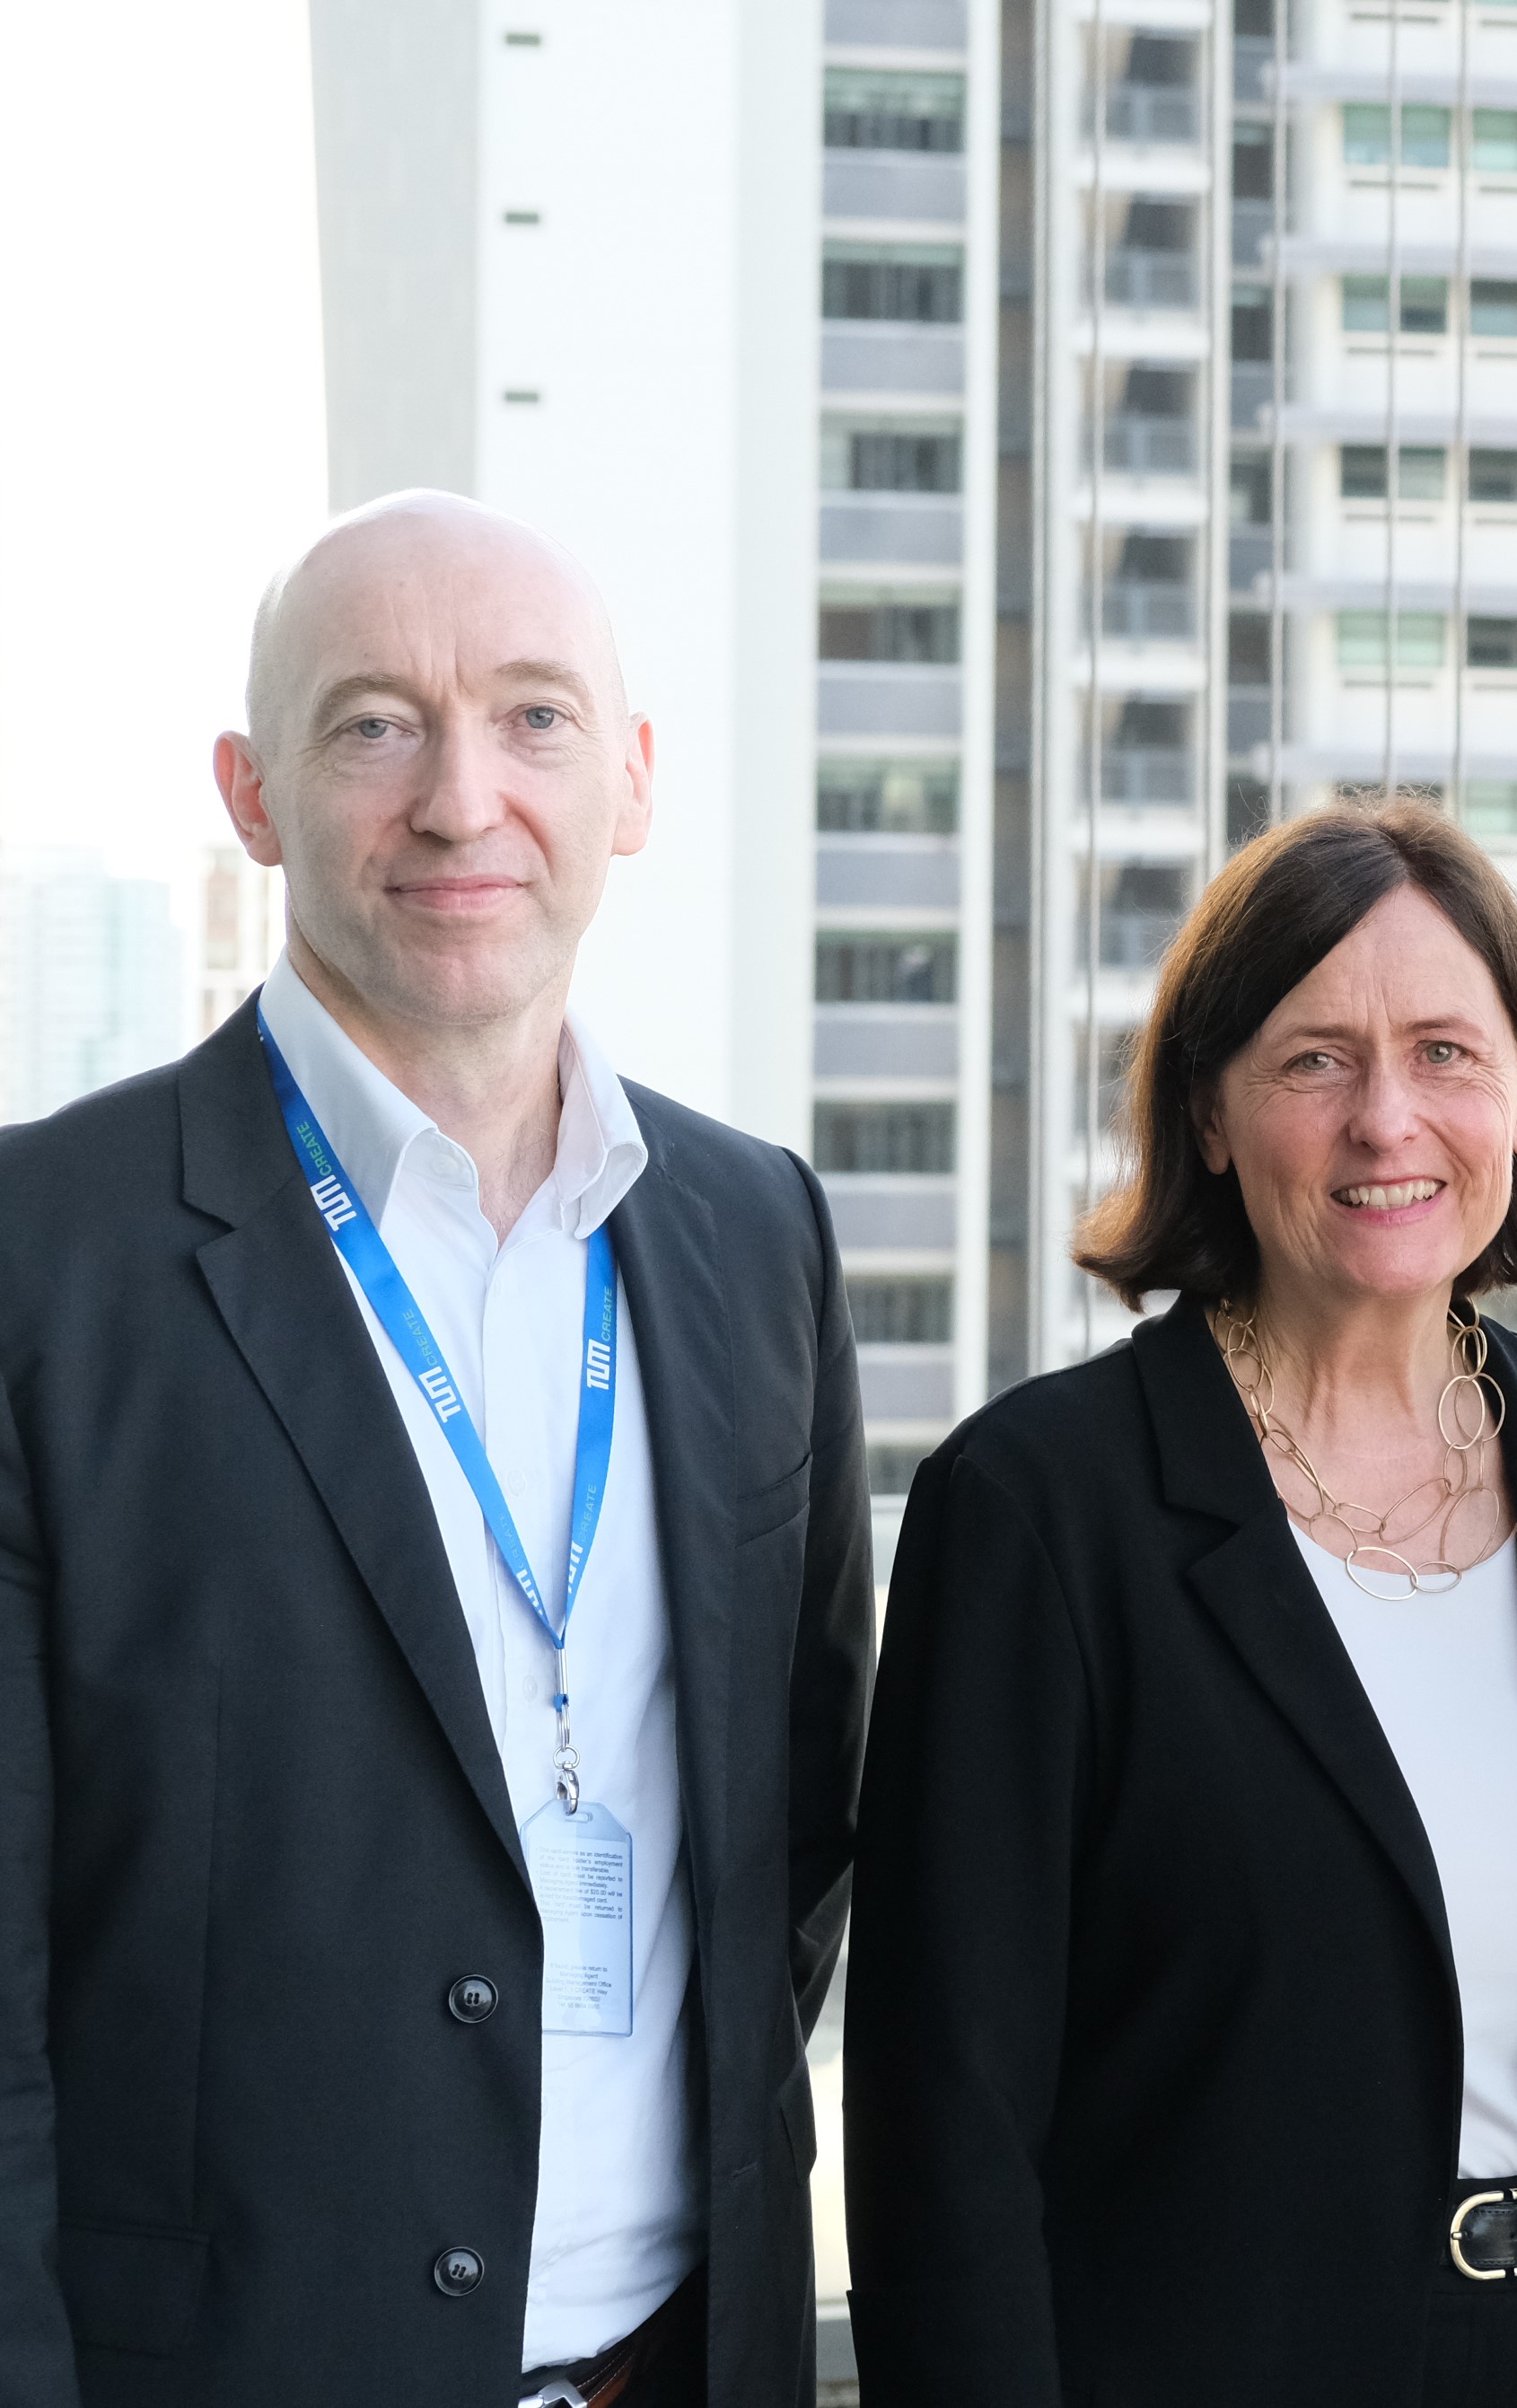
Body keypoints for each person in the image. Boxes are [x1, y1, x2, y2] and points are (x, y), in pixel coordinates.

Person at [0, 492, 875, 2406]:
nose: (464, 800)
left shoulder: (756, 1233)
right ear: (253, 793)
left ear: (631, 785)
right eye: (375, 723)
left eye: (535, 719)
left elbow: (796, 1814)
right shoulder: (41, 1262)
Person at [844, 804, 1517, 2405]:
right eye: (1313, 1061)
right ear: (1209, 1110)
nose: (1385, 1121)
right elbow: (945, 2120)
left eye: (1444, 1051)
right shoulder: (1035, 1513)